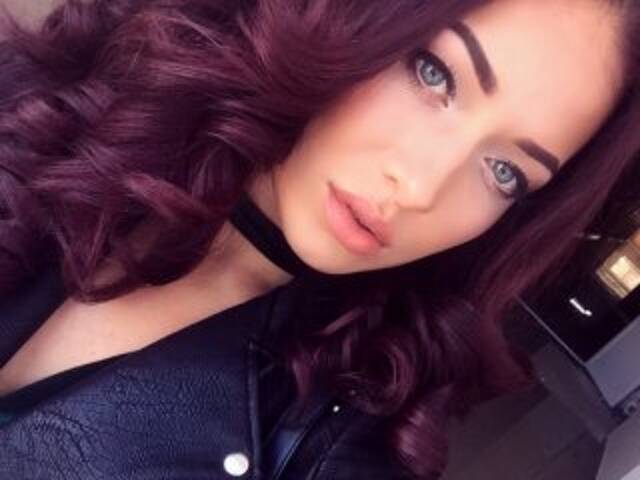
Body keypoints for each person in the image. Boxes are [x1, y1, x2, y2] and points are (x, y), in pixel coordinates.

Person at [0, 0, 638, 478]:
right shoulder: (62, 91)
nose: (420, 187)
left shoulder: (341, 442)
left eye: (504, 173)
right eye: (434, 74)